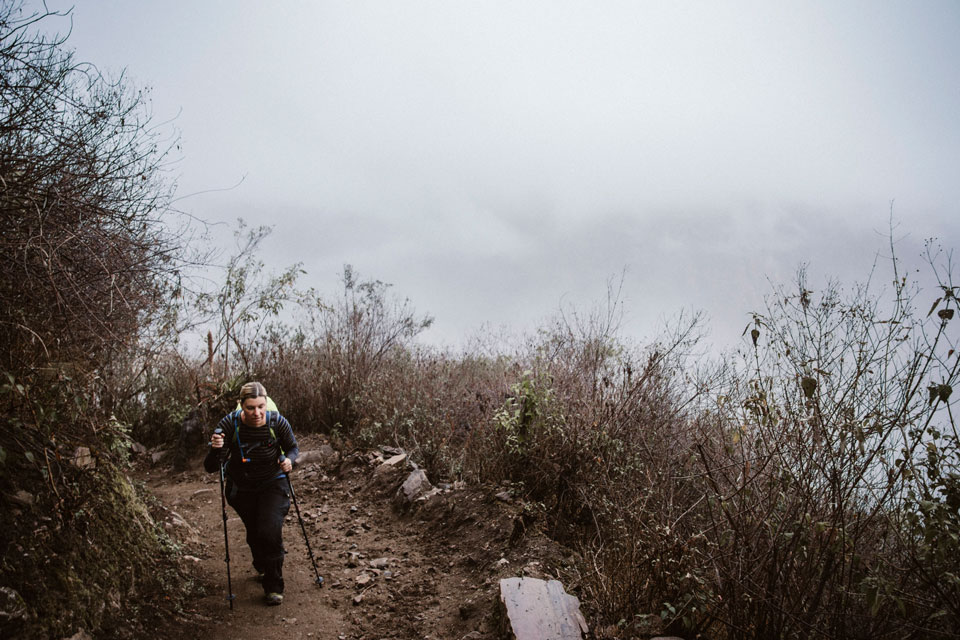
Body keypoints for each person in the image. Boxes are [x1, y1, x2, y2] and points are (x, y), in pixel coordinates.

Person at [204, 382, 299, 606]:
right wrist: (216, 449)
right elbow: (211, 466)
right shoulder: (230, 424)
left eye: (261, 407)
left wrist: (289, 461)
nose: (257, 413)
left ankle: (274, 586)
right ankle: (263, 565)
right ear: (241, 406)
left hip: (273, 483)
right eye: (250, 408)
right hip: (241, 488)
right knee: (255, 532)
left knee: (269, 529)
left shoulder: (277, 422)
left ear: (266, 405)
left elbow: (293, 448)